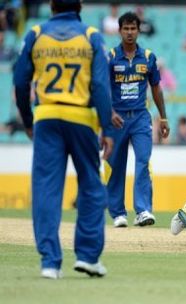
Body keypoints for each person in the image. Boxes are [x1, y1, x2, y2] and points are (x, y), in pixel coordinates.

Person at [13, 0, 114, 279]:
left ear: (51, 5)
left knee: (46, 188)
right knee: (92, 187)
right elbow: (101, 86)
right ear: (79, 5)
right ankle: (88, 256)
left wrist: (28, 119)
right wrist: (106, 126)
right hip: (81, 119)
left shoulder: (35, 33)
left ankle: (49, 262)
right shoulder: (91, 35)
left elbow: (20, 82)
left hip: (46, 118)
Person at [107, 12, 170, 228]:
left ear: (139, 30)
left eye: (133, 28)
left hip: (141, 118)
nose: (130, 32)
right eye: (126, 28)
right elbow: (102, 90)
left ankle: (143, 210)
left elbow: (156, 88)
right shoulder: (110, 57)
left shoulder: (149, 57)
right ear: (119, 30)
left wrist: (163, 117)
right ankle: (117, 213)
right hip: (117, 119)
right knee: (116, 165)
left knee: (143, 161)